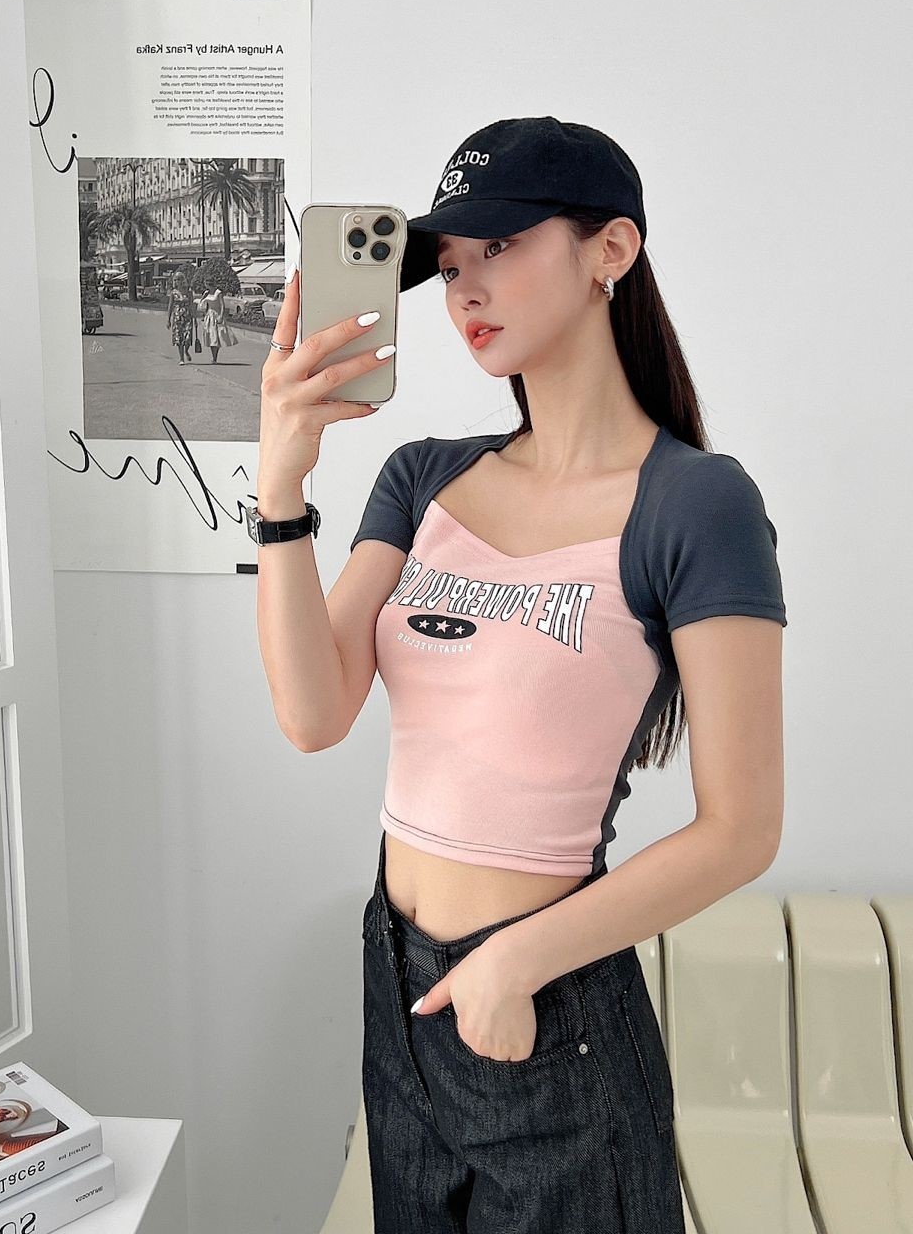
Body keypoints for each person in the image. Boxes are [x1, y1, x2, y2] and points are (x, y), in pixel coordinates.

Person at [254, 117, 787, 1232]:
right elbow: (312, 713)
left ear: (611, 250)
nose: (465, 290)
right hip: (396, 987)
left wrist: (515, 963)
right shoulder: (424, 478)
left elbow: (741, 830)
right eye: (451, 265)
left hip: (548, 1010)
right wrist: (282, 482)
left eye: (499, 247)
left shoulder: (695, 505)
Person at [166, 281, 195, 364]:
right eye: (175, 280)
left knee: (188, 336)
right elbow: (170, 306)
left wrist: (195, 317)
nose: (176, 282)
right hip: (177, 317)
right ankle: (181, 358)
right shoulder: (173, 293)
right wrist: (168, 319)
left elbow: (191, 305)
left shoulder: (189, 292)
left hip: (187, 316)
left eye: (178, 280)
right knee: (179, 337)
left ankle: (186, 351)